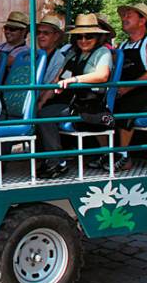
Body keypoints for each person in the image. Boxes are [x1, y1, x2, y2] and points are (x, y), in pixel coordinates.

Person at [35, 14, 114, 178]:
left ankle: (57, 162)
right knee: (39, 112)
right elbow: (57, 80)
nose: (83, 40)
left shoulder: (102, 52)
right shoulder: (72, 54)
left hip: (88, 103)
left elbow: (102, 75)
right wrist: (42, 100)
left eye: (89, 36)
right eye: (79, 36)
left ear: (98, 37)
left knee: (45, 115)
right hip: (68, 101)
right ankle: (49, 159)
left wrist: (75, 80)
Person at [110, 3, 147, 171]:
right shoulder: (123, 46)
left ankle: (124, 156)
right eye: (124, 15)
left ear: (142, 21)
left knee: (126, 108)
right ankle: (106, 153)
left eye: (129, 15)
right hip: (126, 94)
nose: (124, 18)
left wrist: (127, 88)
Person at [37, 14, 68, 85]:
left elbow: (50, 86)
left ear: (56, 37)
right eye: (38, 32)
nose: (40, 36)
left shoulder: (60, 60)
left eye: (46, 33)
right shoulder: (32, 55)